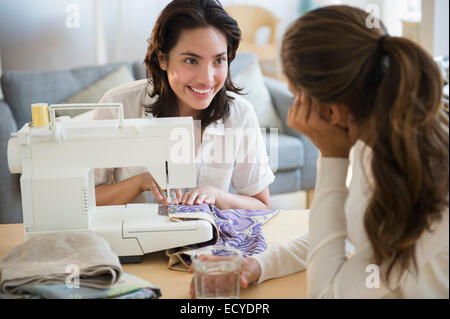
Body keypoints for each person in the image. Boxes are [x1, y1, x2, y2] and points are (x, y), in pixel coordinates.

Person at [190, 5, 449, 298]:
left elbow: (326, 294)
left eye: (297, 97)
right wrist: (258, 265)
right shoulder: (376, 142)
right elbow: (342, 234)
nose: (294, 115)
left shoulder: (432, 184)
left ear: (332, 109)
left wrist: (331, 157)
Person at [92, 0, 275, 210]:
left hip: (208, 241)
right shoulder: (118, 105)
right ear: (162, 59)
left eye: (218, 60)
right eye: (191, 60)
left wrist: (216, 195)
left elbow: (261, 205)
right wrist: (139, 183)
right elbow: (84, 199)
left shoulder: (240, 113)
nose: (207, 79)